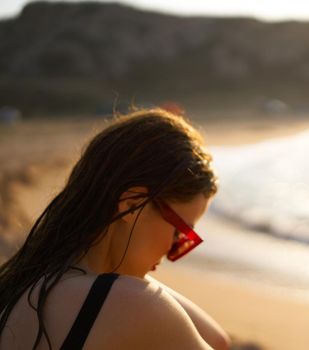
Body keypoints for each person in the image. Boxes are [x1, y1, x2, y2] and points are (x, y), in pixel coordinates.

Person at [0, 108, 231, 349]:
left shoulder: (26, 285)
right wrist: (140, 286)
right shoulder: (133, 305)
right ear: (132, 206)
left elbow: (217, 339)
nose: (172, 253)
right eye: (180, 233)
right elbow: (218, 342)